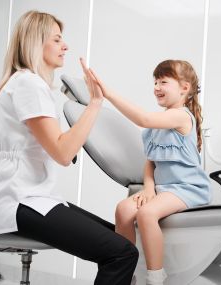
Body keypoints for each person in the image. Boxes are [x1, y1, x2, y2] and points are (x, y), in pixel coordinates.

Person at [0, 10, 138, 285]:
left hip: (28, 196)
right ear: (36, 43)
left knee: (119, 243)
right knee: (121, 254)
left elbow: (54, 146)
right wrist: (95, 103)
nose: (66, 46)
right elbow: (63, 153)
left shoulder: (25, 83)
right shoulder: (28, 84)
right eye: (57, 39)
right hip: (19, 200)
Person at [81, 59, 212, 285]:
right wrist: (149, 188)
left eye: (164, 82)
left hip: (187, 188)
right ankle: (126, 270)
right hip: (163, 189)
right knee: (123, 210)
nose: (157, 87)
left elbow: (143, 119)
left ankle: (155, 276)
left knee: (146, 214)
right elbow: (150, 162)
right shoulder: (158, 126)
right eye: (155, 82)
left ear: (184, 88)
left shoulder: (180, 116)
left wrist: (108, 94)